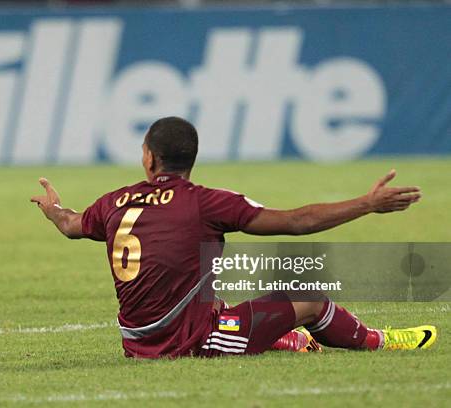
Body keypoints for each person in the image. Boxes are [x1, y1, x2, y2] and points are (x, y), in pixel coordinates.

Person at [30, 116, 436, 358]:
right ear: (191, 159)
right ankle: (377, 341)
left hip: (136, 343)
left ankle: (284, 340)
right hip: (189, 343)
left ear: (149, 158)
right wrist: (367, 204)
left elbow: (70, 224)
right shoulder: (206, 203)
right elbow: (297, 222)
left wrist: (54, 211)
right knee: (309, 297)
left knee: (208, 293)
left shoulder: (115, 200)